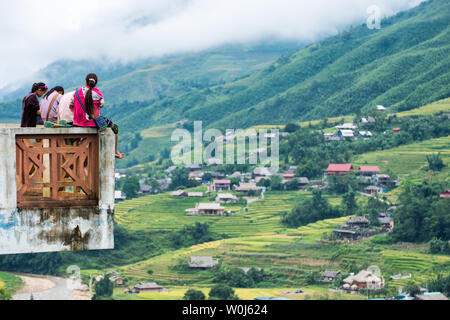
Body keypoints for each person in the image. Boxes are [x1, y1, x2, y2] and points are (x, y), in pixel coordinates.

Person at [70, 73, 125, 159]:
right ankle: (115, 151)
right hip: (92, 122)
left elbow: (71, 106)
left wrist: (78, 117)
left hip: (77, 122)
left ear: (85, 82)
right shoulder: (98, 93)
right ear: (95, 83)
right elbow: (101, 105)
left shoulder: (76, 92)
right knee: (115, 127)